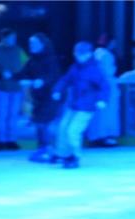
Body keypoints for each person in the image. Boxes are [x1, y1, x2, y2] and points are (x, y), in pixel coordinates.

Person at [52, 41, 108, 169]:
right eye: (77, 53)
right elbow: (65, 80)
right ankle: (62, 154)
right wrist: (57, 90)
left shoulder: (95, 69)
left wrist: (102, 100)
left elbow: (104, 86)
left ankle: (75, 156)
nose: (79, 56)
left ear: (89, 54)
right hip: (73, 104)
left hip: (86, 107)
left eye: (82, 54)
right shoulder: (75, 68)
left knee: (73, 130)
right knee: (62, 127)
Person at [16, 33, 61, 163]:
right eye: (31, 43)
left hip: (51, 97)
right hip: (38, 98)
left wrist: (42, 81)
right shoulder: (32, 60)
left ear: (42, 44)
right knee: (39, 124)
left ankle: (49, 150)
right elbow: (23, 73)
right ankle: (43, 149)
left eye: (35, 43)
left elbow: (53, 76)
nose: (32, 46)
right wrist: (12, 76)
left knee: (44, 124)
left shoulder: (50, 59)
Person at [0, 28, 28, 150]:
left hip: (16, 88)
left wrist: (21, 77)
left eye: (14, 38)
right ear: (4, 38)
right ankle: (1, 140)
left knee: (13, 115)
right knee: (2, 115)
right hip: (1, 88)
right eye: (10, 38)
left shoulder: (18, 50)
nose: (12, 40)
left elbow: (26, 66)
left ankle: (11, 140)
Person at [86, 34, 120, 147]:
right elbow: (108, 72)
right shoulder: (106, 55)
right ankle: (105, 137)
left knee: (98, 115)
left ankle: (96, 136)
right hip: (106, 87)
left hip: (97, 88)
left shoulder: (95, 54)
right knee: (107, 114)